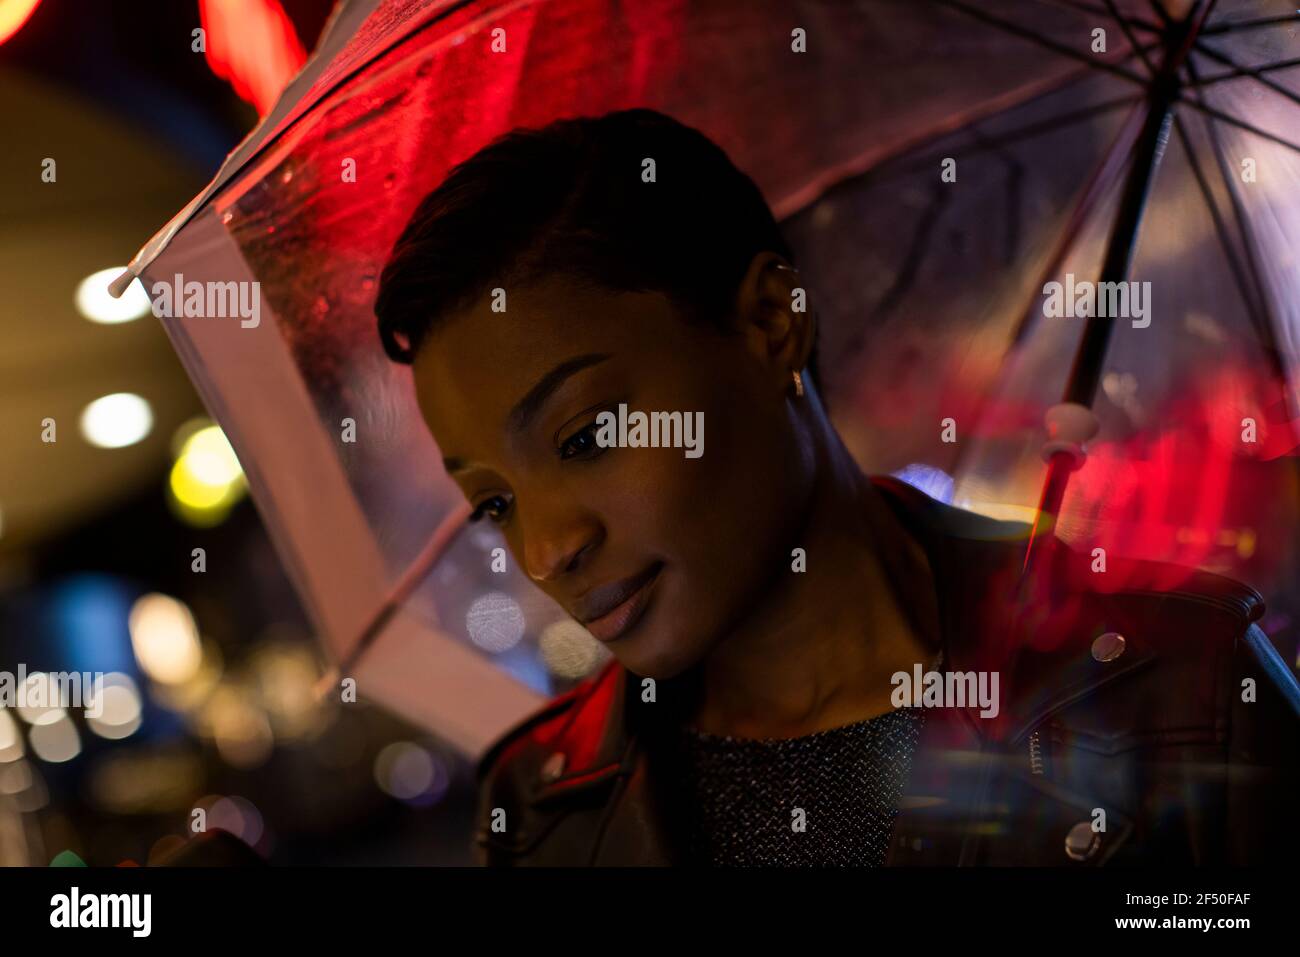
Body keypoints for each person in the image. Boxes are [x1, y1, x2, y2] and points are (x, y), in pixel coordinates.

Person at [374, 108, 1300, 866]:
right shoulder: (538, 811)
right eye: (494, 502)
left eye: (586, 437)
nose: (545, 550)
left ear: (772, 324)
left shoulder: (1180, 688)